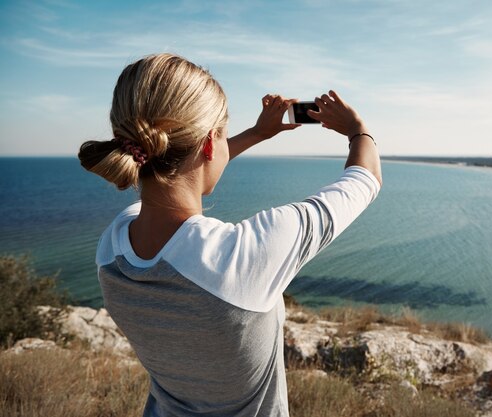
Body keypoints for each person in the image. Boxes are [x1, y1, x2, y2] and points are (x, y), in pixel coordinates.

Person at [78, 53, 381, 417]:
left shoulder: (112, 251)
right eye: (221, 136)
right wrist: (357, 129)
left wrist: (255, 134)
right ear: (208, 144)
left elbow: (177, 165)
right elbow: (364, 181)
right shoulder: (243, 256)